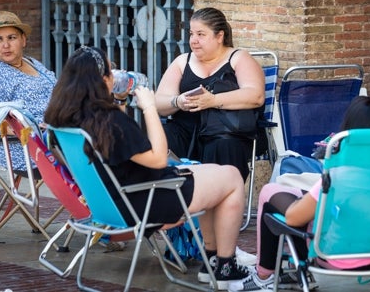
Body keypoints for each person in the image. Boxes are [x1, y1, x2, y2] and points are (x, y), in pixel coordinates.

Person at [43, 46, 252, 290]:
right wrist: (150, 108)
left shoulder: (64, 119)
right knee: (232, 178)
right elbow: (158, 158)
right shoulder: (109, 121)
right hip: (147, 199)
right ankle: (224, 266)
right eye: (111, 71)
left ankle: (211, 261)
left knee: (212, 171)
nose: (115, 75)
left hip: (109, 204)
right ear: (101, 80)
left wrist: (118, 100)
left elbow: (117, 143)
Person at [228, 96, 370, 292]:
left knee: (270, 194)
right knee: (298, 197)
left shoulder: (337, 176)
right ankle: (291, 272)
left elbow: (293, 217)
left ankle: (264, 275)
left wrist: (304, 201)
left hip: (335, 256)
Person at [155, 7, 265, 182]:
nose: (193, 41)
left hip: (225, 132)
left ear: (219, 36)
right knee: (159, 135)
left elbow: (255, 95)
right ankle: (164, 200)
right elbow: (159, 103)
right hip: (185, 131)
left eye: (201, 34)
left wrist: (213, 100)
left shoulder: (238, 58)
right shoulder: (182, 61)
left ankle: (219, 201)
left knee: (224, 144)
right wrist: (177, 101)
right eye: (191, 34)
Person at [0, 10, 57, 174]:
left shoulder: (32, 63)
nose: (6, 45)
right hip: (23, 147)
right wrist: (35, 133)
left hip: (57, 136)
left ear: (23, 40)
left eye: (12, 38)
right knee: (93, 156)